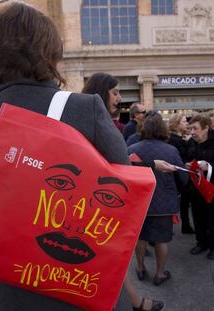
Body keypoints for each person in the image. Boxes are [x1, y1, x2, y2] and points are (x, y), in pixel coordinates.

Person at [0, 3, 132, 310]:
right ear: (50, 52)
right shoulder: (83, 108)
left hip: (15, 291)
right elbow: (126, 199)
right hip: (87, 284)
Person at [82, 74, 164, 311]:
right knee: (107, 258)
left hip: (97, 199)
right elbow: (116, 165)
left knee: (108, 259)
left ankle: (135, 301)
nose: (120, 98)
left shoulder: (96, 120)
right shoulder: (97, 122)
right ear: (101, 92)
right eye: (115, 92)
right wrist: (149, 167)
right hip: (94, 203)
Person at [128, 112, 188, 286]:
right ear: (163, 128)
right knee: (162, 240)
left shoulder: (132, 149)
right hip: (164, 203)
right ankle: (160, 274)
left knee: (140, 238)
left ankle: (140, 268)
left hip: (140, 203)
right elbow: (182, 179)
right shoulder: (171, 150)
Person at [185, 114, 214, 260]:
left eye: (195, 128)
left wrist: (210, 166)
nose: (192, 132)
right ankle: (202, 243)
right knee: (198, 216)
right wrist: (188, 163)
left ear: (206, 128)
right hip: (197, 186)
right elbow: (187, 157)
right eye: (190, 128)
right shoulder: (192, 141)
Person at [167, 113, 194, 234]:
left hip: (180, 172)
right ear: (177, 124)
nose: (186, 124)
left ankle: (185, 225)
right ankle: (183, 226)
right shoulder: (174, 140)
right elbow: (185, 156)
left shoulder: (178, 138)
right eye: (184, 121)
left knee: (184, 201)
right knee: (181, 200)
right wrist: (189, 143)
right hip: (179, 174)